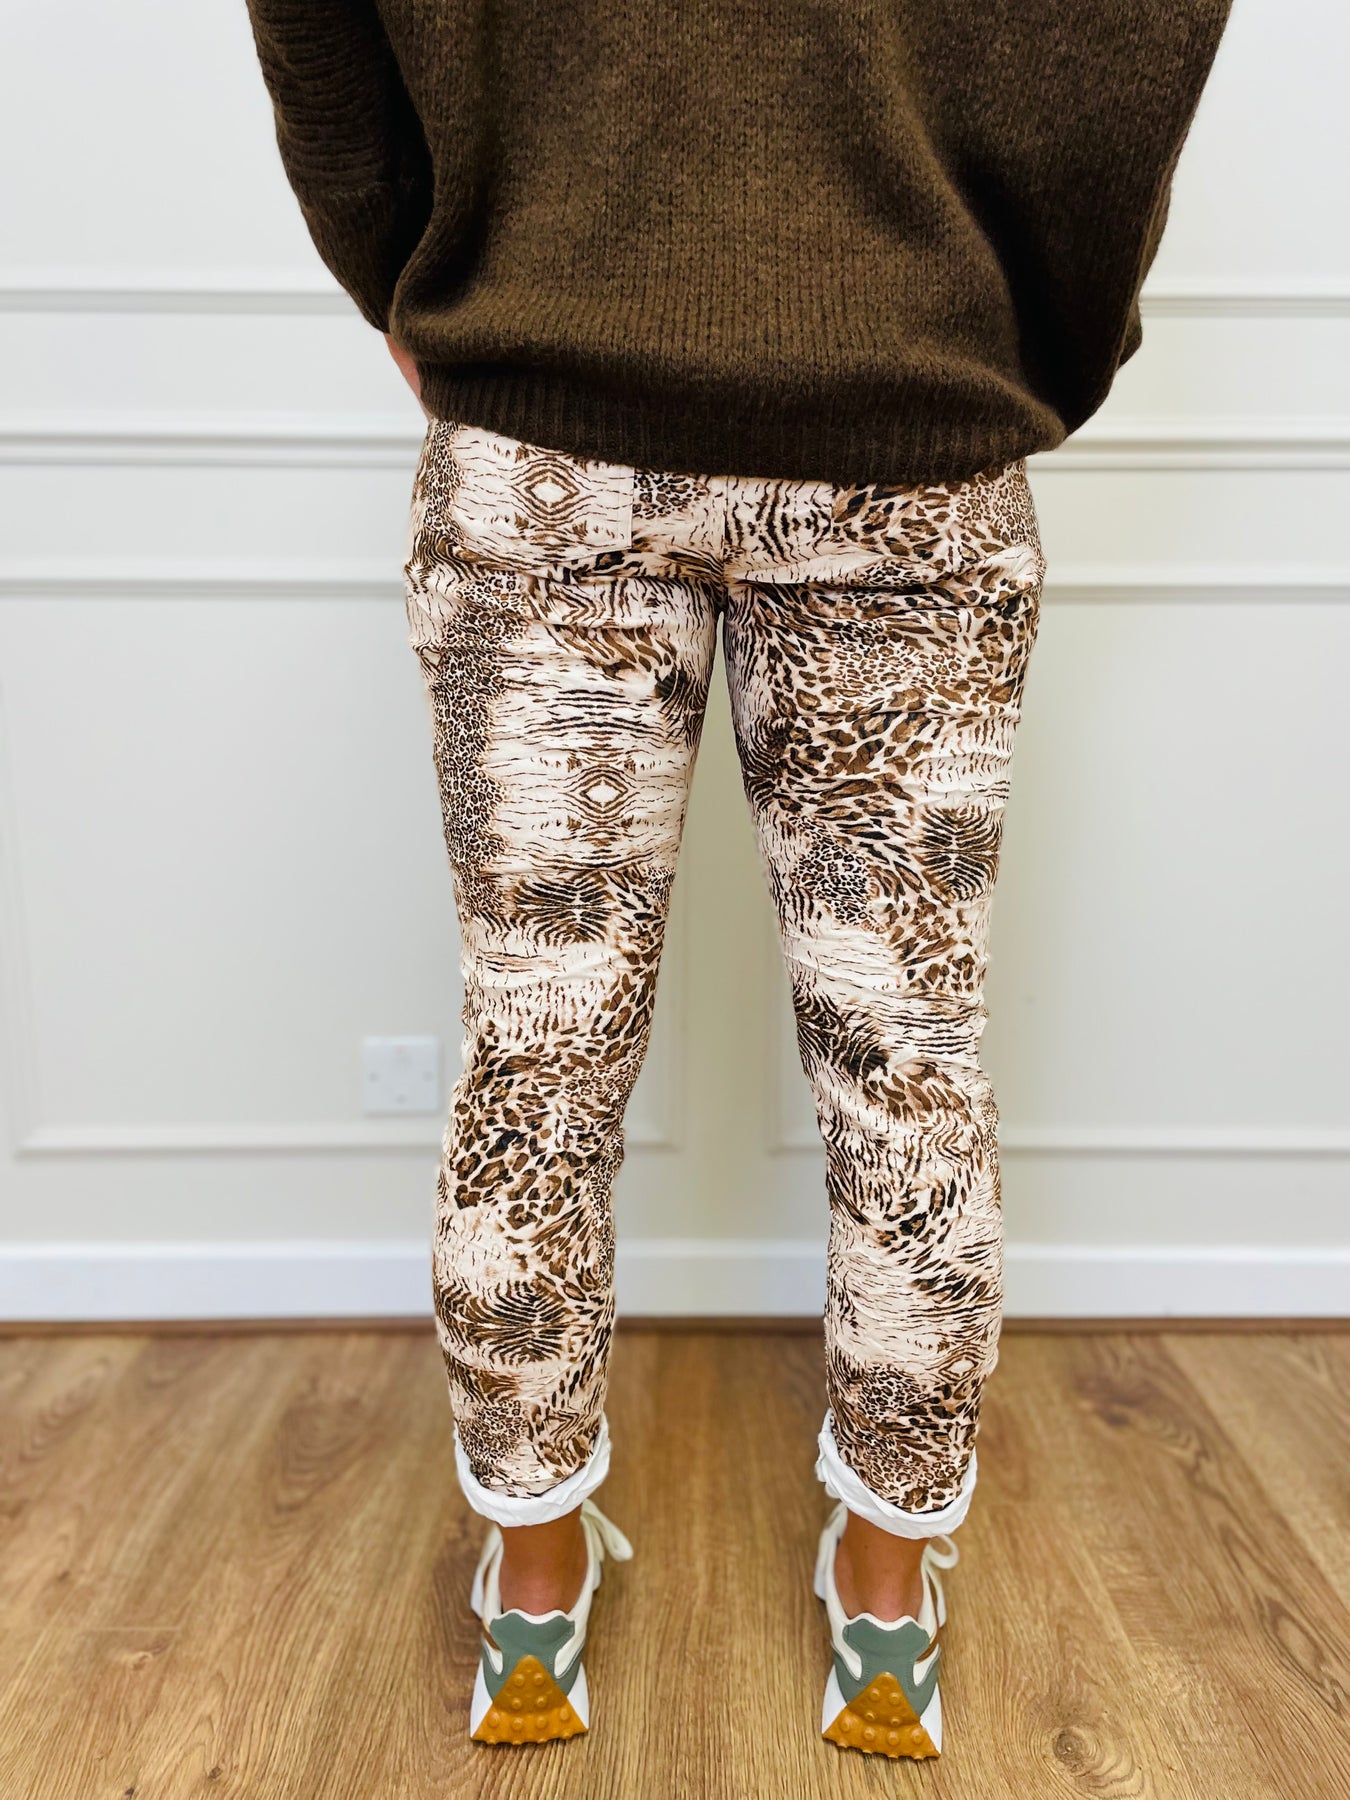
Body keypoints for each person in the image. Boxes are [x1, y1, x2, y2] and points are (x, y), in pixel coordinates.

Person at [243, 0, 1233, 1759]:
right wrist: (1003, 334)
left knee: (538, 1059)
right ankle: (882, 1608)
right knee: (905, 1071)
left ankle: (534, 1585)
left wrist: (438, 287)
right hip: (907, 439)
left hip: (545, 443)